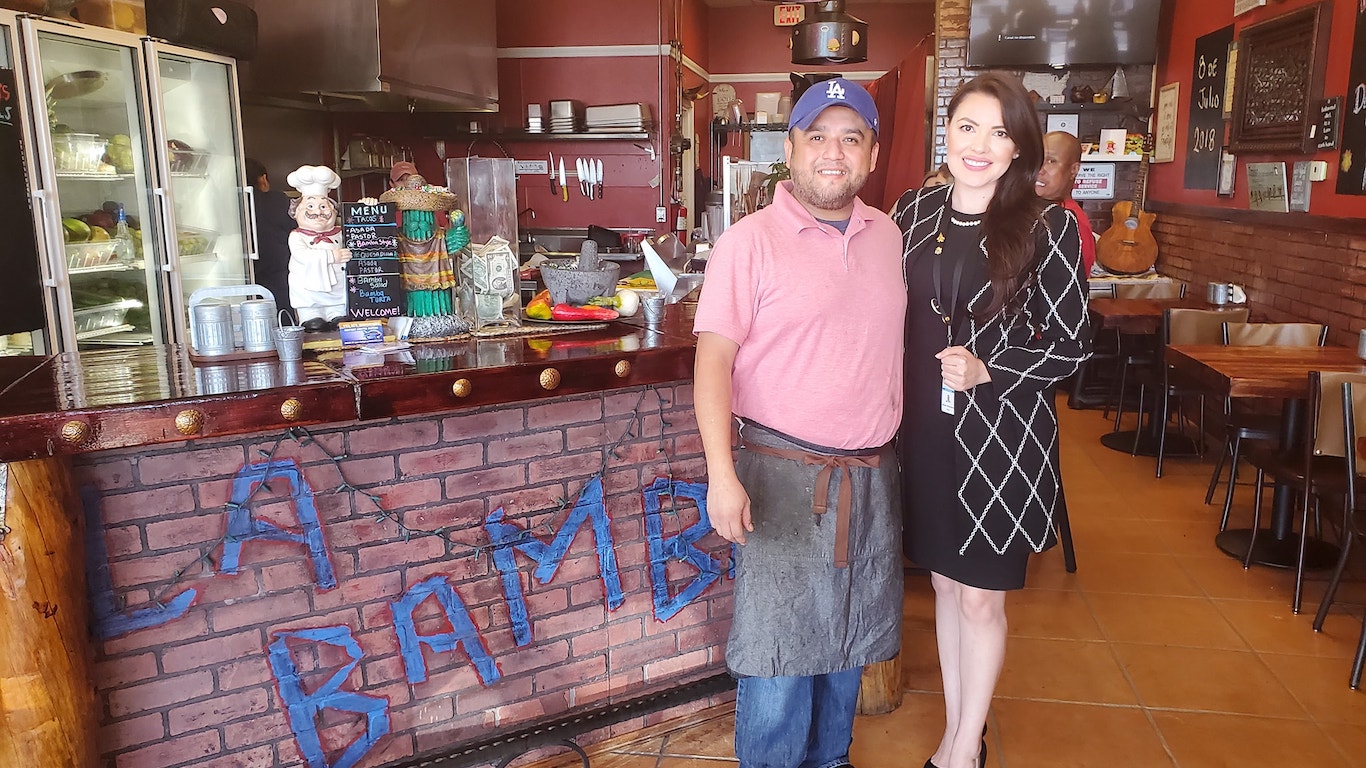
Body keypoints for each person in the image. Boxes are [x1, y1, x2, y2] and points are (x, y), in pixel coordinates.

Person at [693, 77, 906, 768]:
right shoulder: (748, 243)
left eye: (851, 138)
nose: (833, 153)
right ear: (789, 149)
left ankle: (831, 761)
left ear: (872, 154)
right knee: (780, 658)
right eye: (817, 137)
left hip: (869, 476)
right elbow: (712, 362)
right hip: (781, 476)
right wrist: (721, 475)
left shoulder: (889, 237)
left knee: (848, 644)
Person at [890, 73, 1090, 768]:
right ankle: (958, 732)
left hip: (1001, 439)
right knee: (944, 584)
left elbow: (1070, 344)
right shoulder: (913, 211)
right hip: (923, 430)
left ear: (1019, 149)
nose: (979, 145)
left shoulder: (1047, 227)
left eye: (999, 132)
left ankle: (960, 754)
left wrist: (990, 370)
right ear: (946, 131)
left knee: (981, 600)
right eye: (967, 127)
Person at [286, 165, 351, 332]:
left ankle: (335, 313)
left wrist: (368, 208)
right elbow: (302, 255)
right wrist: (331, 256)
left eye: (323, 207)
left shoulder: (341, 233)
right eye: (310, 206)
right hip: (309, 292)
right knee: (313, 321)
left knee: (340, 318)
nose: (318, 212)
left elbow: (363, 234)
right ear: (296, 212)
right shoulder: (297, 236)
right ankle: (310, 315)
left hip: (337, 292)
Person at [1035, 131, 1096, 275]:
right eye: (1038, 159)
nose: (1039, 169)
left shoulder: (1071, 222)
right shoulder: (1038, 212)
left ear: (1074, 170)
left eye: (1051, 161)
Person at [246, 158, 296, 320]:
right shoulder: (278, 200)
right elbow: (297, 229)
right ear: (263, 179)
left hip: (243, 276)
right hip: (278, 276)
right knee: (284, 323)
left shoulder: (229, 204)